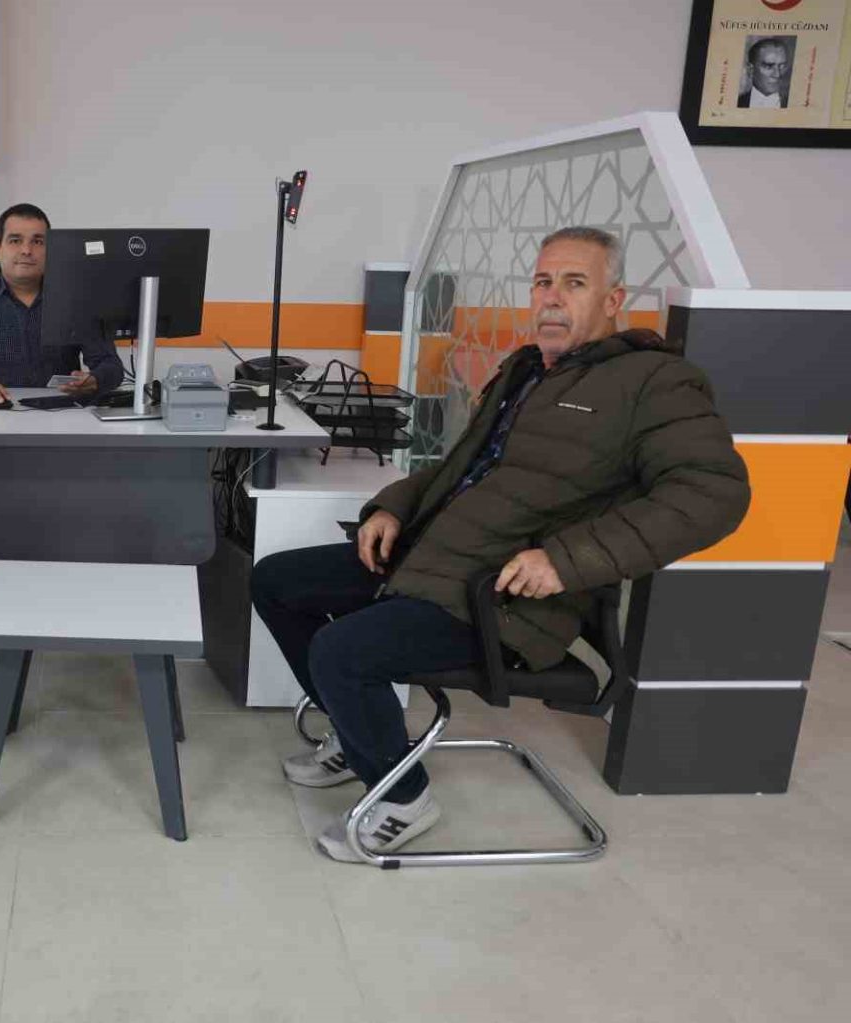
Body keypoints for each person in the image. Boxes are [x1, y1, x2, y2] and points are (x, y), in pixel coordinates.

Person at [252, 226, 750, 863]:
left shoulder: (656, 382)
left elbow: (714, 493)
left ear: (613, 300)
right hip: (433, 556)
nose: (552, 297)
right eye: (543, 282)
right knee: (276, 581)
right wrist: (393, 506)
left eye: (574, 283)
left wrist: (566, 562)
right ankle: (362, 740)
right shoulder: (525, 370)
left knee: (341, 651)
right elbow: (461, 467)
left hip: (500, 597)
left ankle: (404, 798)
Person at [0, 203, 126, 409]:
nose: (27, 250)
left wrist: (95, 380)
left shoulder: (76, 301)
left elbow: (111, 366)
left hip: (60, 414)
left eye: (37, 241)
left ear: (51, 250)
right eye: (15, 240)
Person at [738, 37, 792, 108]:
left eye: (782, 66)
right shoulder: (737, 103)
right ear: (750, 70)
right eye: (769, 66)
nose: (777, 74)